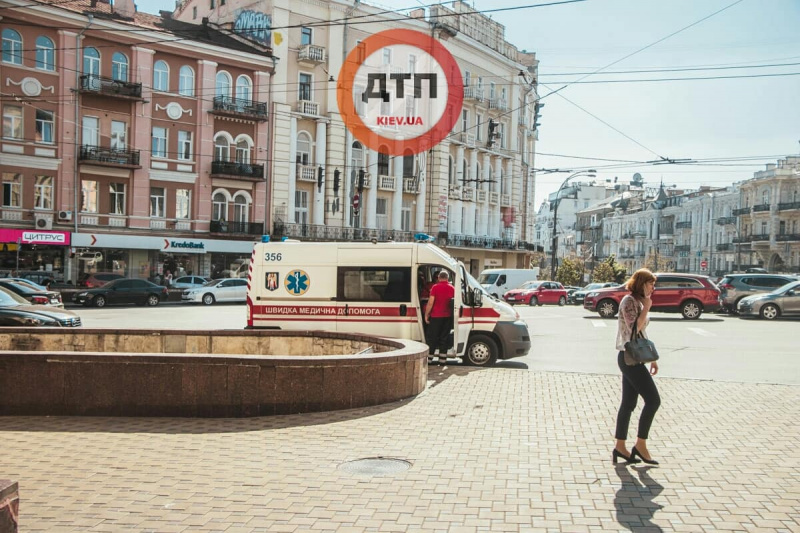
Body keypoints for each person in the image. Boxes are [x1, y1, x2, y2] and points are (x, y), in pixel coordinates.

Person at [613, 268, 661, 465]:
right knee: (653, 400)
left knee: (629, 403)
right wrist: (647, 307)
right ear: (641, 283)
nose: (653, 288)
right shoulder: (629, 301)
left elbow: (641, 335)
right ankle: (640, 445)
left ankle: (620, 447)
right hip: (628, 358)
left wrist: (652, 358)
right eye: (650, 284)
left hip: (636, 356)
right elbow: (634, 329)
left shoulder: (638, 302)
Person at [424, 270, 454, 364]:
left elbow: (430, 302)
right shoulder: (452, 288)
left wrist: (426, 314)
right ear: (447, 278)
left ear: (438, 278)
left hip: (436, 316)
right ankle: (442, 360)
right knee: (444, 338)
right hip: (447, 316)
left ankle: (429, 359)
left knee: (432, 338)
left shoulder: (435, 287)